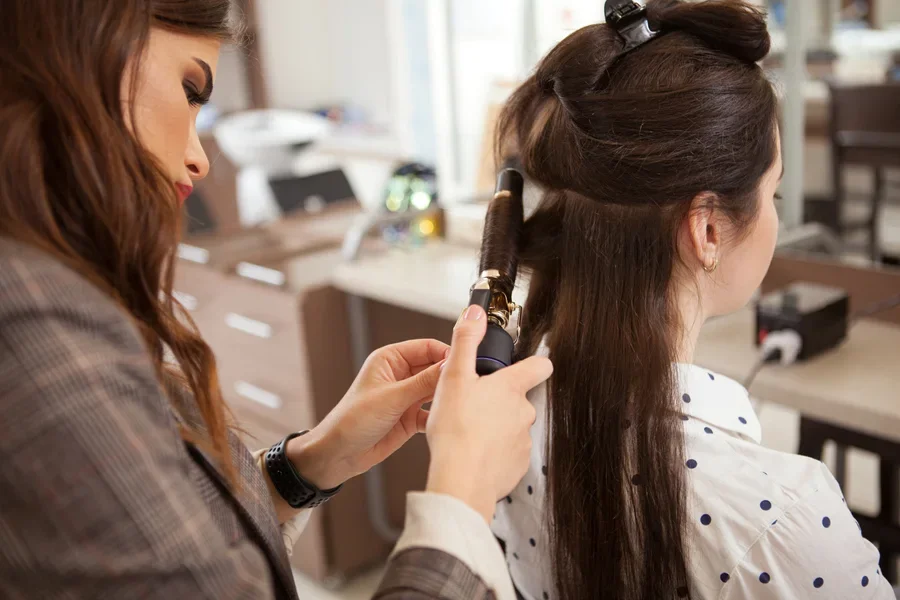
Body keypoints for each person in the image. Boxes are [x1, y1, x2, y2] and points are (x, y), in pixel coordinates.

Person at [0, 1, 552, 599]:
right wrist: (461, 490)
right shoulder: (32, 334)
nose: (201, 158)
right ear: (80, 50)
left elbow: (162, 539)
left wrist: (308, 463)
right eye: (190, 88)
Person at [488, 1, 893, 599]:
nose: (774, 220)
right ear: (706, 231)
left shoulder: (505, 417)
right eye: (772, 195)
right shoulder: (785, 521)